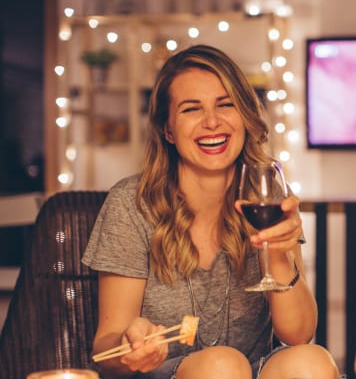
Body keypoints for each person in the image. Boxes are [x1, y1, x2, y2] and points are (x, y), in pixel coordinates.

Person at [82, 44, 340, 379]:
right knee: (222, 366)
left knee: (312, 362)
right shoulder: (131, 203)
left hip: (252, 368)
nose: (213, 122)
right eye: (192, 109)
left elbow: (298, 334)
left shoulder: (268, 195)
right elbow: (106, 347)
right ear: (168, 130)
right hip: (165, 372)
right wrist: (131, 346)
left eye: (225, 105)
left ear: (245, 116)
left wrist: (278, 253)